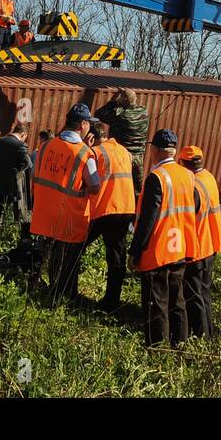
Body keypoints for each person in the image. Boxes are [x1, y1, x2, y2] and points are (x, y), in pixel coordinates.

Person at [129, 129, 200, 347]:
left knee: (156, 303)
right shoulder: (187, 175)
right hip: (180, 247)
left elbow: (148, 219)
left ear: (157, 150)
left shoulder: (156, 177)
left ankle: (157, 349)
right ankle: (180, 345)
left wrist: (135, 252)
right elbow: (195, 204)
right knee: (176, 302)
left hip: (158, 250)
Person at [31, 103, 101, 306]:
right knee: (65, 261)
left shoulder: (45, 147)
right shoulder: (84, 154)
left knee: (46, 255)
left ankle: (40, 288)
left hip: (44, 213)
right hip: (69, 216)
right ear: (83, 124)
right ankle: (59, 299)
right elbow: (95, 186)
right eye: (89, 124)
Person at [84, 122, 137, 312]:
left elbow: (89, 180)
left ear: (92, 137)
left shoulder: (96, 152)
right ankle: (111, 301)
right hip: (125, 209)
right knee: (116, 257)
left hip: (104, 209)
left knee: (75, 248)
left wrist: (87, 149)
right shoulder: (125, 151)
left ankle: (65, 290)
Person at [181, 145, 221, 338]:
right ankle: (209, 333)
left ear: (183, 163)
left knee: (194, 295)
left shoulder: (193, 186)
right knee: (204, 294)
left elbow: (187, 219)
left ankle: (200, 337)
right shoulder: (209, 177)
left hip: (197, 248)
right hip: (211, 244)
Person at [95, 89, 149, 191]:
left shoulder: (120, 116)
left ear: (123, 100)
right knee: (136, 190)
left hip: (123, 157)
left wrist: (115, 102)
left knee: (118, 188)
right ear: (135, 99)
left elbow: (99, 114)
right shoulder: (144, 112)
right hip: (138, 158)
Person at [0, 121, 32, 235]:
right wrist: (16, 171)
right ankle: (4, 238)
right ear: (23, 134)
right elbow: (28, 163)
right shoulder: (20, 145)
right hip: (11, 186)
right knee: (10, 216)